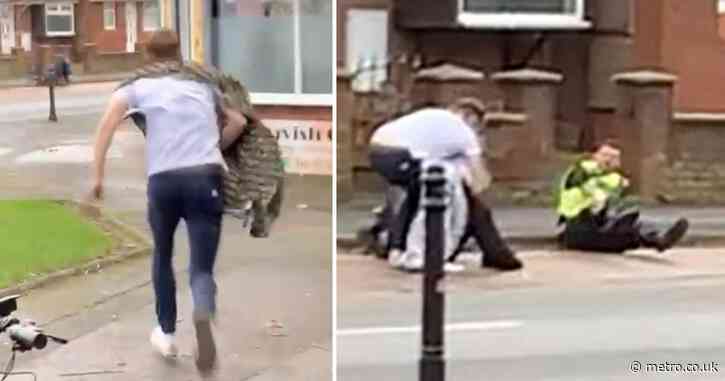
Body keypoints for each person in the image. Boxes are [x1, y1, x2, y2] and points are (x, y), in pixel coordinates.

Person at [90, 30, 248, 373]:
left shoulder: (136, 87)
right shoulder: (203, 85)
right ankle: (203, 311)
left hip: (163, 182)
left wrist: (98, 177)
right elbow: (238, 121)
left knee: (162, 254)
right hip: (205, 177)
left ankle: (166, 331)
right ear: (178, 54)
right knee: (202, 267)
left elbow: (106, 126)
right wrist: (213, 147)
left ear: (148, 56)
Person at [367, 98, 523, 272]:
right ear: (470, 118)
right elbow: (479, 178)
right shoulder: (463, 132)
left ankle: (397, 249)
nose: (476, 129)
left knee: (416, 194)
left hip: (377, 149)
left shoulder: (436, 117)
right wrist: (476, 192)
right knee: (440, 197)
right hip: (399, 153)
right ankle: (419, 255)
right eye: (477, 125)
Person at [556, 140, 689, 253]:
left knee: (629, 223)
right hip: (579, 229)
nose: (609, 160)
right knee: (626, 228)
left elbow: (614, 192)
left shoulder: (609, 176)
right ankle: (658, 239)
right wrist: (602, 193)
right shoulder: (582, 171)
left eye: (614, 157)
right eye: (605, 155)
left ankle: (659, 237)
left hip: (593, 228)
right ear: (594, 156)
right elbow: (590, 187)